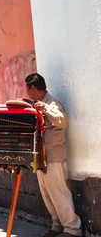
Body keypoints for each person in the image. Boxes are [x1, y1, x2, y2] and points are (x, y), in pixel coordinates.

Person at [25, 73, 82, 237]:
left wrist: (47, 110)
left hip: (54, 158)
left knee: (59, 193)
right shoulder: (37, 103)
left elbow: (63, 121)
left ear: (33, 88)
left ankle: (73, 229)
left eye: (27, 88)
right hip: (42, 158)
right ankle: (57, 226)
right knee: (48, 195)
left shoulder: (52, 103)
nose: (27, 92)